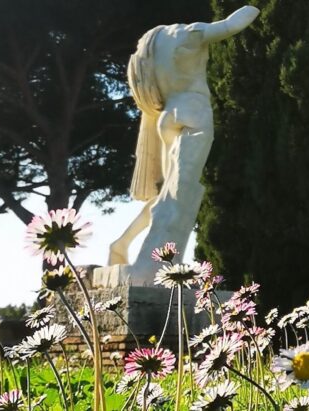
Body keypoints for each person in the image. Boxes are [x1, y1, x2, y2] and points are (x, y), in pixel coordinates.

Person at [105, 6, 259, 286]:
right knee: (178, 196)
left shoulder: (151, 44)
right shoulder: (189, 34)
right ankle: (148, 270)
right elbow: (231, 25)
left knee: (169, 193)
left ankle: (121, 243)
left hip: (168, 116)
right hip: (195, 114)